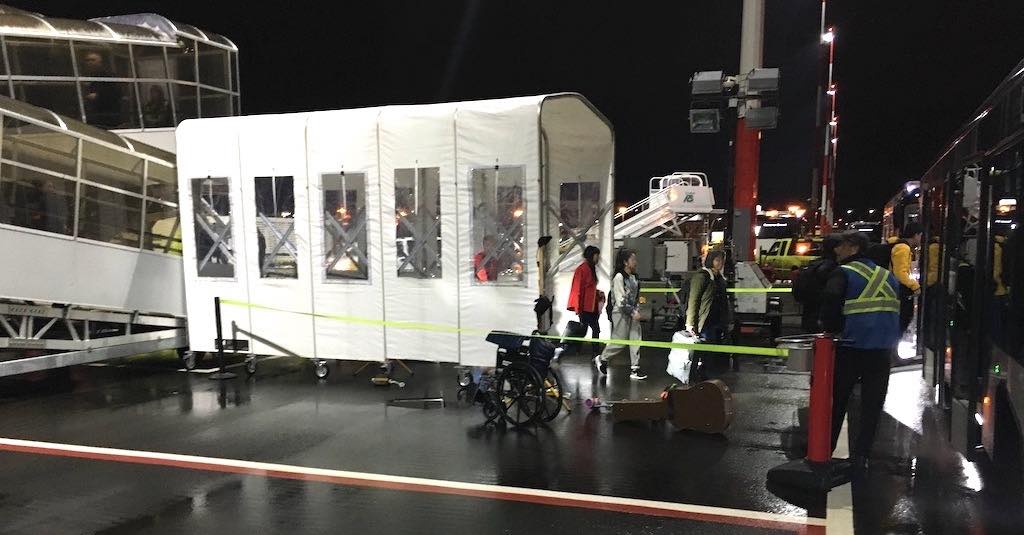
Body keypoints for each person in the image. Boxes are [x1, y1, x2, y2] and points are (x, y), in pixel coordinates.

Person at [821, 231, 901, 471]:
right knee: (872, 406)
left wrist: (831, 329)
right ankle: (862, 456)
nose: (837, 251)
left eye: (841, 246)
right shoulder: (888, 276)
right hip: (882, 350)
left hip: (850, 346)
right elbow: (900, 310)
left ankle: (825, 451)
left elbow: (830, 306)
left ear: (853, 247)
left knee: (838, 401)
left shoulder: (843, 273)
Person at [595, 248, 646, 380]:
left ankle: (635, 369)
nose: (635, 262)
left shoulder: (635, 277)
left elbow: (636, 296)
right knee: (620, 341)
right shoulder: (619, 277)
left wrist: (637, 309)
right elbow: (620, 299)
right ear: (625, 262)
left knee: (636, 339)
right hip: (621, 312)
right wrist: (631, 311)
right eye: (633, 259)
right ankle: (602, 358)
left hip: (633, 311)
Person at [685, 249, 731, 380]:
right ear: (711, 260)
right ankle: (696, 375)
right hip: (705, 321)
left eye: (722, 260)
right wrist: (690, 322)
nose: (720, 263)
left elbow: (724, 301)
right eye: (717, 260)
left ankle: (703, 374)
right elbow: (694, 300)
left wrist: (728, 320)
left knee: (709, 349)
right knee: (702, 349)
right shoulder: (702, 276)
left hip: (716, 320)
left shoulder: (719, 278)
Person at [793, 234, 841, 333]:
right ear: (836, 249)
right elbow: (832, 296)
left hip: (809, 316)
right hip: (824, 320)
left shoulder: (814, 265)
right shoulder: (832, 268)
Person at [567, 245, 605, 355]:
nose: (598, 258)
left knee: (589, 329)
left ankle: (584, 350)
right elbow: (578, 290)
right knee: (588, 329)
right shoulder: (582, 269)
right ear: (591, 256)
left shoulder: (590, 268)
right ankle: (592, 351)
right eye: (596, 256)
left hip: (591, 306)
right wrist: (578, 308)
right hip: (586, 307)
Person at [887, 223, 923, 334]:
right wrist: (915, 286)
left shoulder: (901, 246)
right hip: (899, 291)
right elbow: (900, 273)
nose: (921, 239)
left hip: (896, 290)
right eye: (920, 235)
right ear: (915, 235)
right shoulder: (903, 248)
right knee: (902, 320)